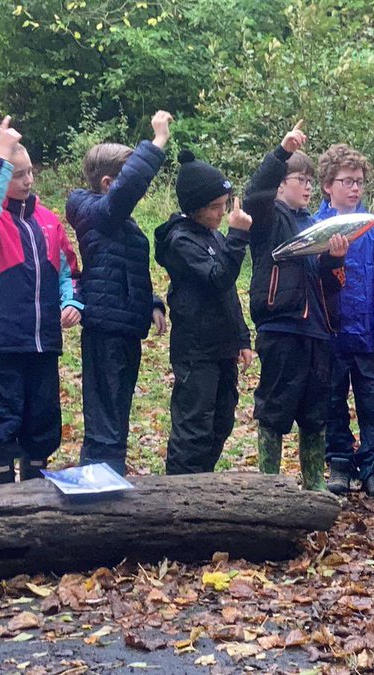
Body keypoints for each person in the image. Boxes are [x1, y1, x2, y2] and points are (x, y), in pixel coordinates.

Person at [0, 117, 82, 484]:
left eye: (30, 172)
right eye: (17, 174)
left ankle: (35, 495)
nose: (28, 181)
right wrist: (1, 153)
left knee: (42, 423)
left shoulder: (48, 221)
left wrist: (73, 303)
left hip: (43, 342)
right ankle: (1, 498)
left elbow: (70, 272)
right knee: (0, 425)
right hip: (0, 342)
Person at [244, 121, 349, 491]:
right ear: (282, 183)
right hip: (281, 328)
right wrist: (281, 152)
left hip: (318, 332)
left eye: (309, 180)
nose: (306, 186)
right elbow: (252, 193)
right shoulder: (268, 216)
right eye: (299, 179)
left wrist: (335, 260)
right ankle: (268, 486)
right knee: (274, 410)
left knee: (315, 413)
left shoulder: (315, 223)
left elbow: (328, 284)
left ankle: (314, 486)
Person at [66, 111, 172, 475]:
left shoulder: (117, 223)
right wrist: (156, 143)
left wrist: (152, 304)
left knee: (117, 409)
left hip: (125, 326)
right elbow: (128, 191)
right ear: (109, 182)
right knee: (106, 414)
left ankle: (109, 476)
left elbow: (125, 272)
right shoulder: (95, 212)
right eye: (125, 181)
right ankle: (98, 481)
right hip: (105, 328)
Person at [154, 151, 255, 475]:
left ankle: (201, 484)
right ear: (194, 208)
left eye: (224, 203)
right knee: (193, 426)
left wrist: (242, 338)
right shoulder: (180, 241)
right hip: (196, 350)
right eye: (214, 207)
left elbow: (227, 293)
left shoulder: (213, 234)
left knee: (223, 419)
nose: (222, 212)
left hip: (222, 346)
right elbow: (218, 276)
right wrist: (238, 237)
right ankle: (180, 492)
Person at [315, 144, 374, 500]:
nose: (354, 188)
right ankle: (339, 461)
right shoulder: (316, 225)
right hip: (330, 332)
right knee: (332, 398)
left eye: (360, 182)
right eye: (346, 181)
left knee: (373, 399)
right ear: (327, 186)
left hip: (366, 332)